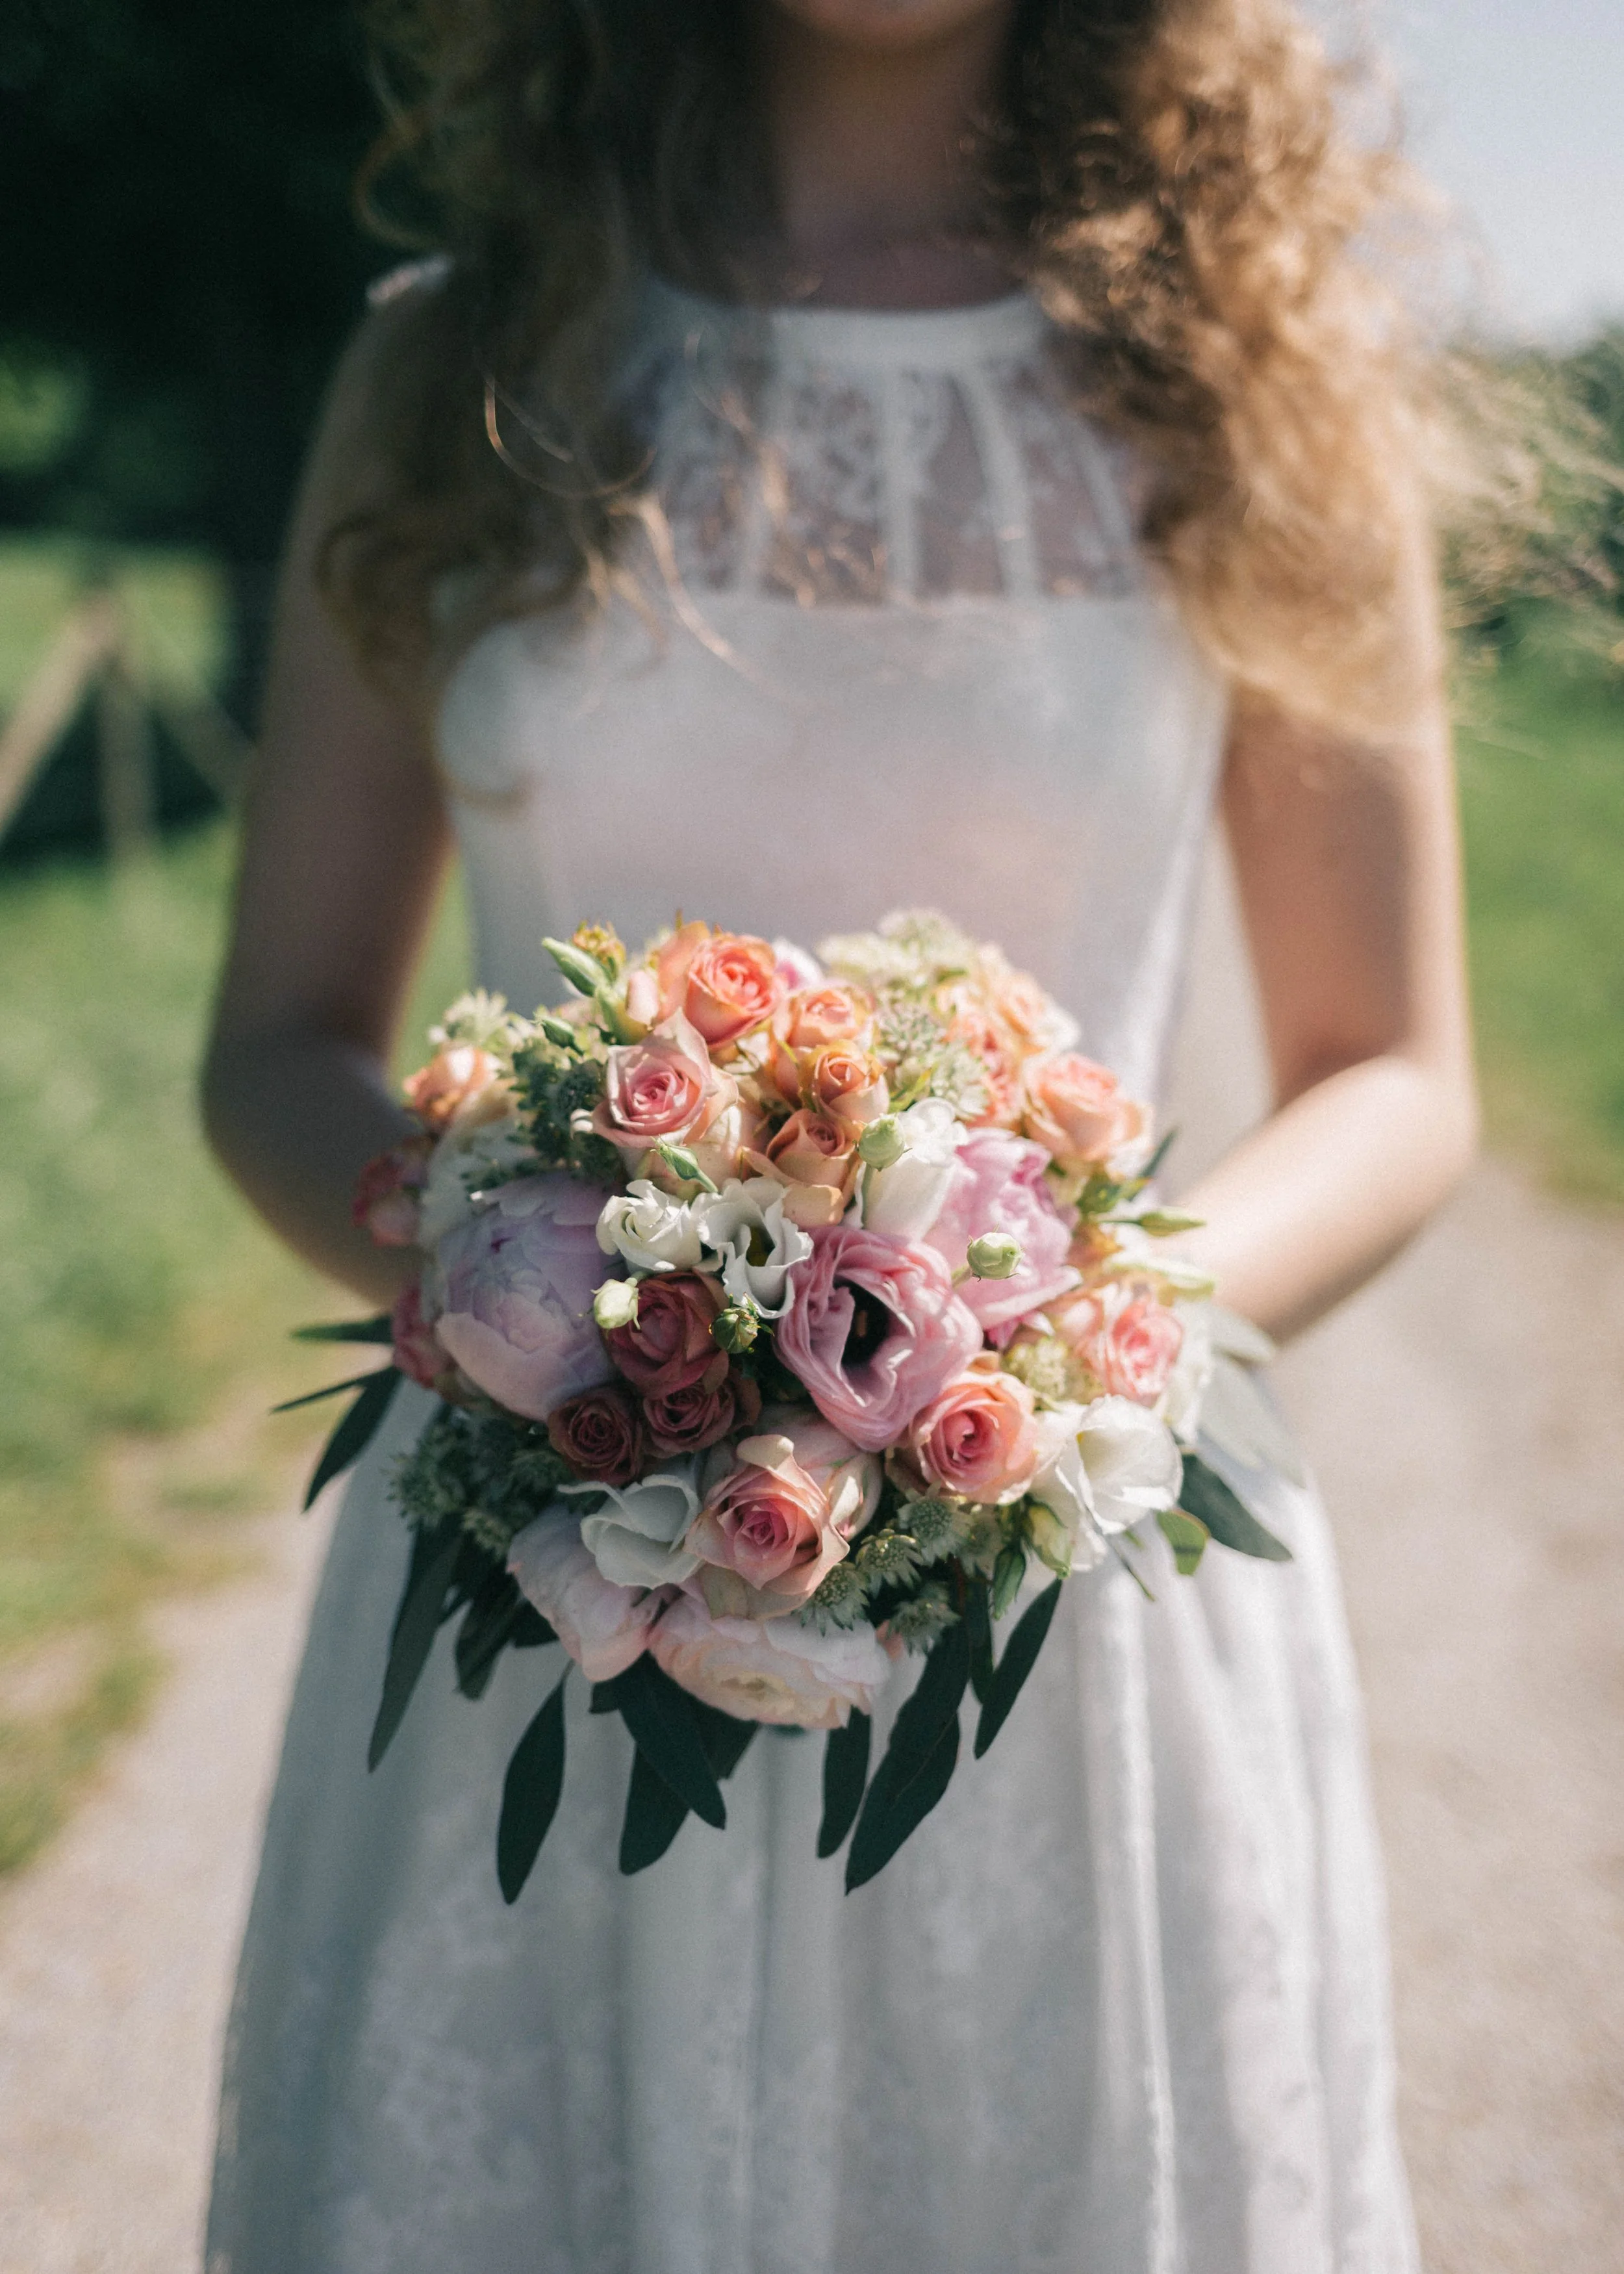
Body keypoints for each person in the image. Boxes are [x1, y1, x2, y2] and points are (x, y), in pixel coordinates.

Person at [201, 1, 1477, 2267]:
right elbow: (281, 1040)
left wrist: (1060, 1346)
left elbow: (1392, 1063)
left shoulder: (1250, 372)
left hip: (1066, 1604)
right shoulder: (452, 363)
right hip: (543, 1590)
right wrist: (555, 1322)